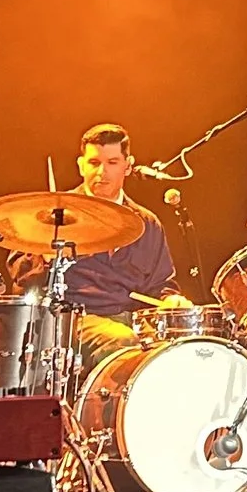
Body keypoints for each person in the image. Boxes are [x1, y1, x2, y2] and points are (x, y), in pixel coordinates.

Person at [57, 122, 178, 363]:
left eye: (112, 163)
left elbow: (162, 284)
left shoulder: (147, 224)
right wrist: (43, 258)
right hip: (75, 319)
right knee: (124, 341)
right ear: (80, 166)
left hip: (134, 322)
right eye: (94, 163)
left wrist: (170, 300)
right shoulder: (57, 215)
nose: (102, 172)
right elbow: (21, 273)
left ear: (128, 166)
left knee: (179, 350)